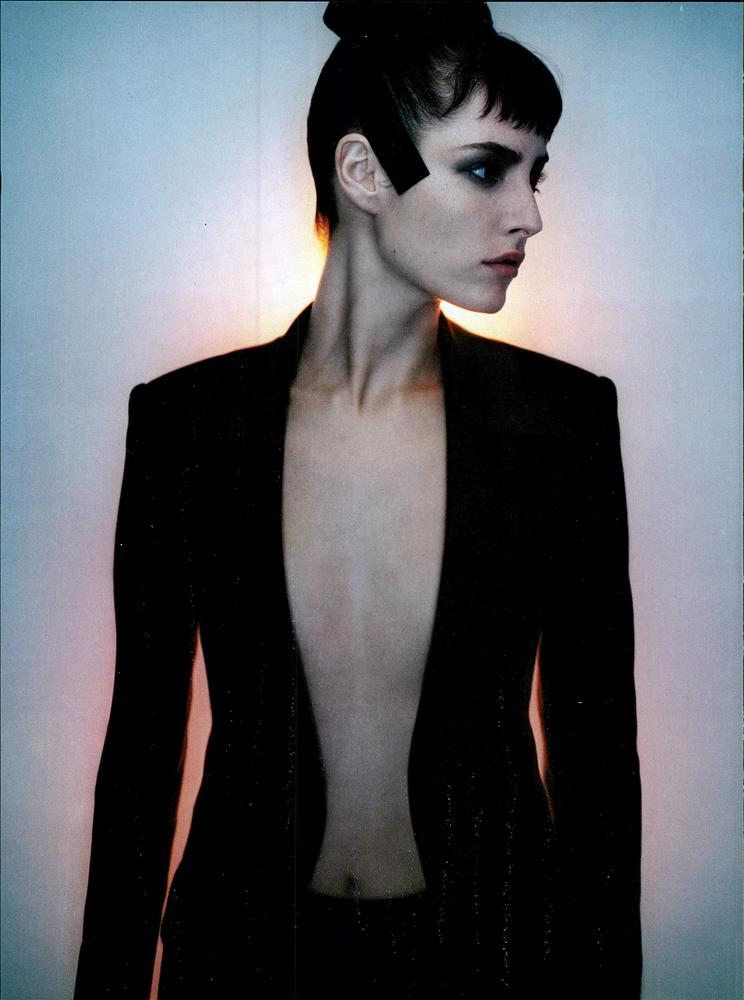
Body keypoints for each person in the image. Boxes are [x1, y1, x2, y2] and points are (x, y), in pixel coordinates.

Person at [75, 3, 641, 998]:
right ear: (364, 170)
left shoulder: (561, 422)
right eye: (486, 169)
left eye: (535, 174)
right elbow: (141, 757)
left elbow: (598, 771)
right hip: (243, 961)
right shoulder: (190, 425)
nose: (530, 215)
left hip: (488, 963)